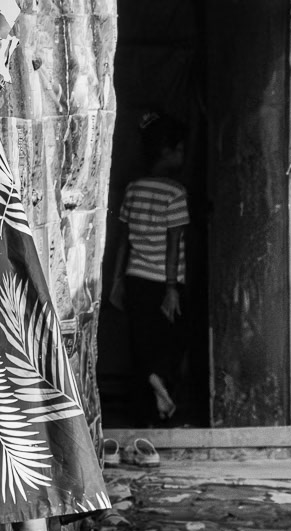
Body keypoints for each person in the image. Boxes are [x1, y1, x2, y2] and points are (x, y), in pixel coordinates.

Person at [108, 113, 189, 422]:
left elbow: (123, 241)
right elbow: (173, 244)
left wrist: (117, 280)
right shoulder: (176, 193)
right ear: (166, 152)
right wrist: (171, 288)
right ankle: (161, 392)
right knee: (169, 344)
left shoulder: (133, 189)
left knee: (140, 344)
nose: (182, 156)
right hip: (164, 282)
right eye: (179, 150)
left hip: (135, 279)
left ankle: (149, 404)